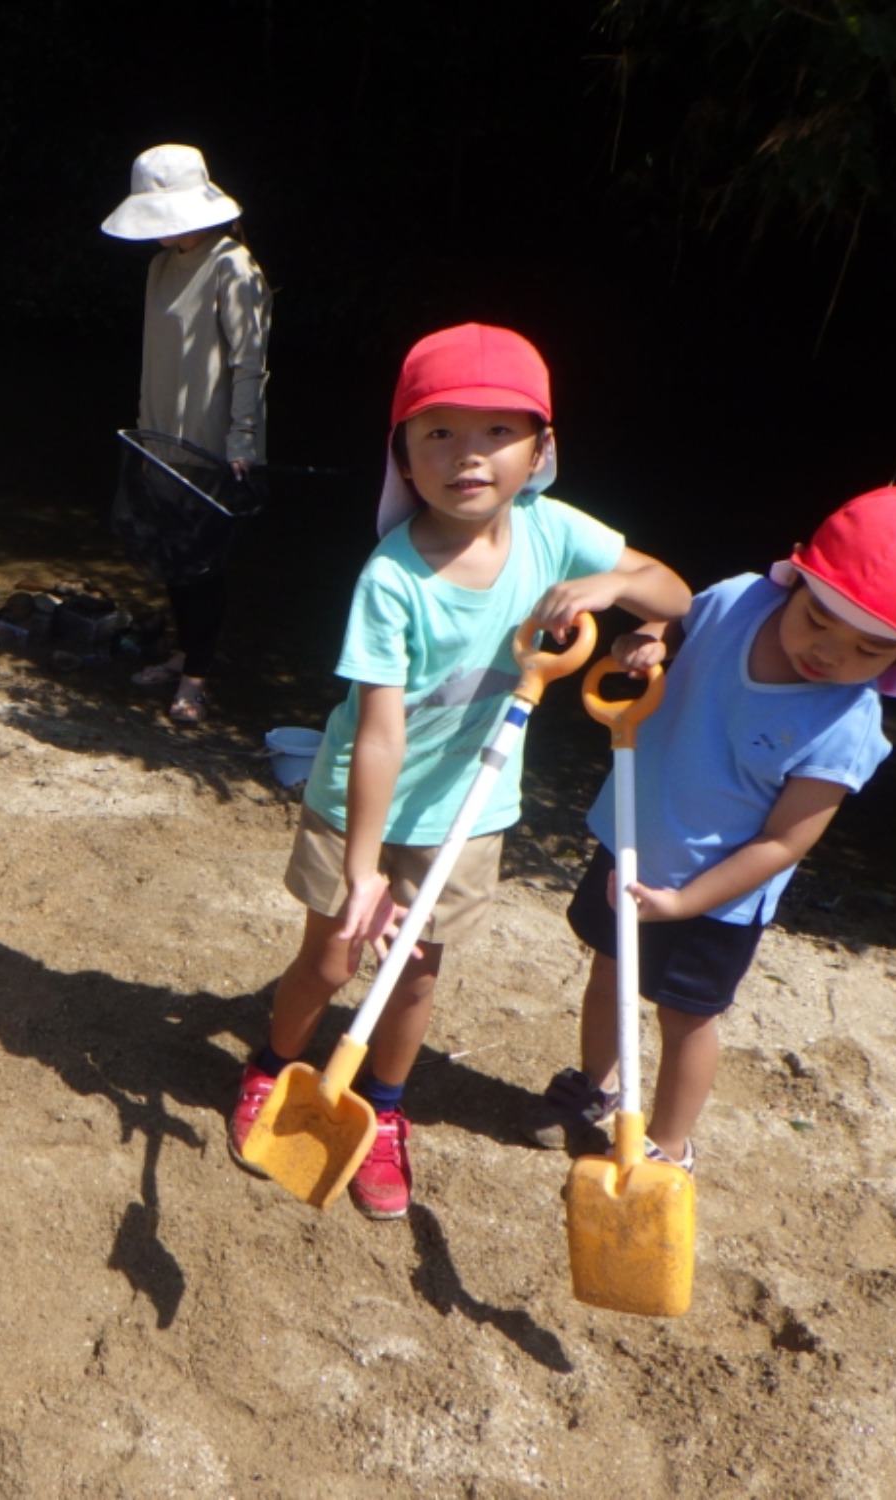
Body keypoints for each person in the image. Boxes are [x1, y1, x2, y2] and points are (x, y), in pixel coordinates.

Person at [227, 323, 691, 1218]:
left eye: (496, 432)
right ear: (401, 451)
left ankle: (384, 1112)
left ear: (540, 449)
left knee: (416, 969)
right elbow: (378, 735)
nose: (467, 456)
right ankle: (273, 1066)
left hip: (471, 810)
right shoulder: (391, 578)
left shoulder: (556, 534)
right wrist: (363, 869)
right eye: (438, 431)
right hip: (357, 802)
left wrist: (609, 590)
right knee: (329, 958)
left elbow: (671, 589)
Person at [520, 487, 896, 1174]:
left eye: (868, 649)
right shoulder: (737, 600)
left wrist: (684, 904)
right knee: (609, 970)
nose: (830, 653)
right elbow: (674, 619)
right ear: (797, 581)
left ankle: (668, 1146)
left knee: (686, 1016)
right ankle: (594, 1091)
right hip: (634, 835)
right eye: (818, 620)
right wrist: (650, 639)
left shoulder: (847, 728)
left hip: (716, 897)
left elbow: (784, 842)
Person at [102, 145, 272, 725]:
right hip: (159, 439)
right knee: (171, 556)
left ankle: (197, 678)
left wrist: (242, 440)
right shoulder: (159, 266)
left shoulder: (233, 266)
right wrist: (145, 430)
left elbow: (249, 364)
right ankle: (182, 653)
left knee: (202, 565)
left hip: (212, 445)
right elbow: (159, 357)